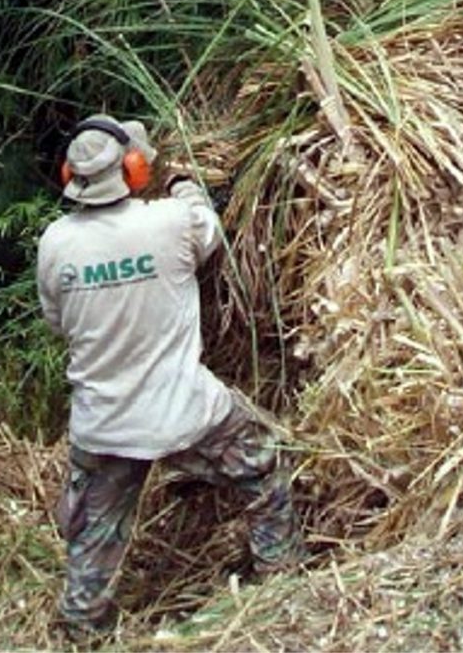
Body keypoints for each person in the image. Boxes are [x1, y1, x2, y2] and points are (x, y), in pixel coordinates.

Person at [37, 114, 304, 639]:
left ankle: (83, 623)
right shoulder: (171, 222)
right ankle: (282, 573)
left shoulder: (55, 243)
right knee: (266, 460)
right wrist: (181, 178)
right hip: (182, 409)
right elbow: (206, 217)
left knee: (93, 535)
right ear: (134, 171)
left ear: (71, 176)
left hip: (104, 423)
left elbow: (57, 321)